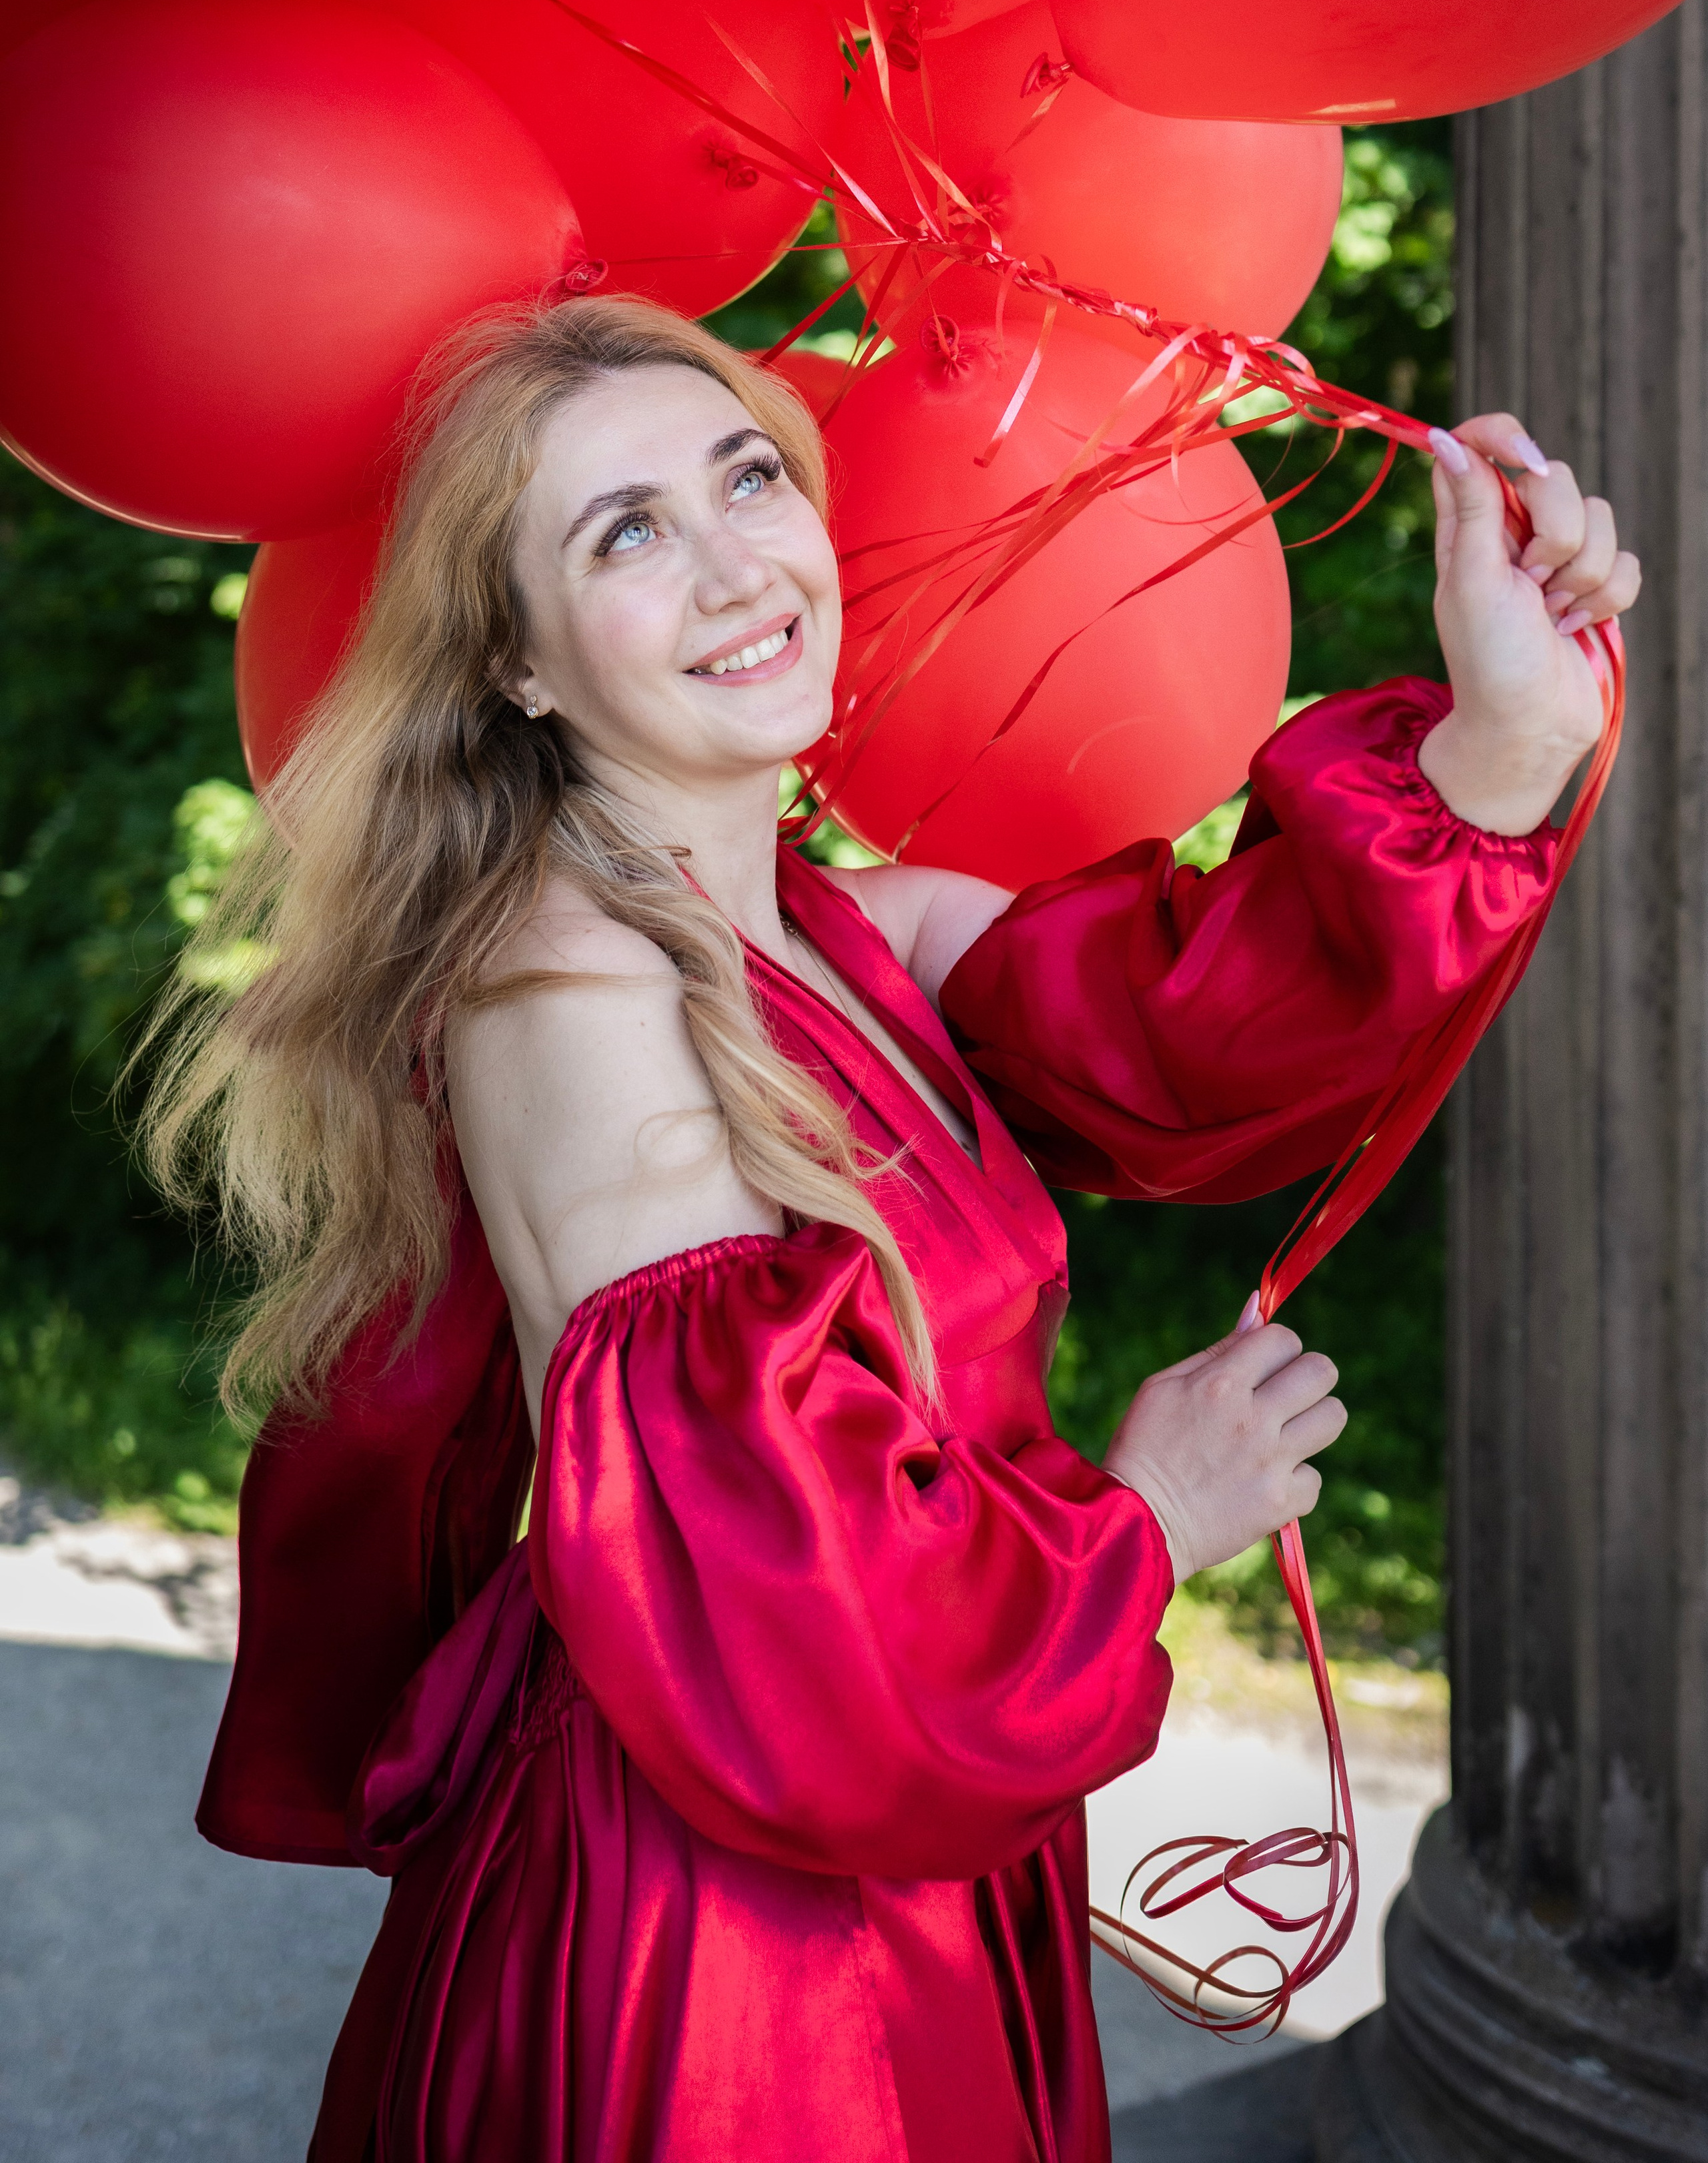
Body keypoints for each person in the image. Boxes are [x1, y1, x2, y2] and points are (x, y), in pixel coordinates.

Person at [145, 295, 1638, 2162]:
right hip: (727, 1936)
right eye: (625, 533)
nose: (734, 562)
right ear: (516, 664)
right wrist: (1150, 1521)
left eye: (747, 475)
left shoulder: (845, 928)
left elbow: (1191, 1039)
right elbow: (794, 1616)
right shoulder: (564, 997)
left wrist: (1499, 736)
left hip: (908, 1843)